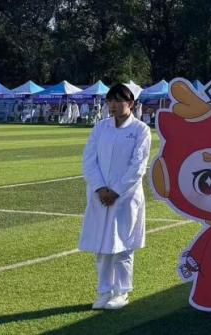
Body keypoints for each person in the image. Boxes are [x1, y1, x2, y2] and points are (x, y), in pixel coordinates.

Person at [78, 83, 151, 311]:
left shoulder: (140, 130)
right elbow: (89, 160)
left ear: (130, 103)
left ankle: (122, 291)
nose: (113, 105)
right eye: (110, 100)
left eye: (118, 101)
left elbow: (138, 166)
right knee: (102, 245)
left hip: (125, 197)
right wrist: (100, 188)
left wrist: (116, 191)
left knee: (123, 245)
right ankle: (104, 291)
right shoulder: (101, 128)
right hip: (100, 196)